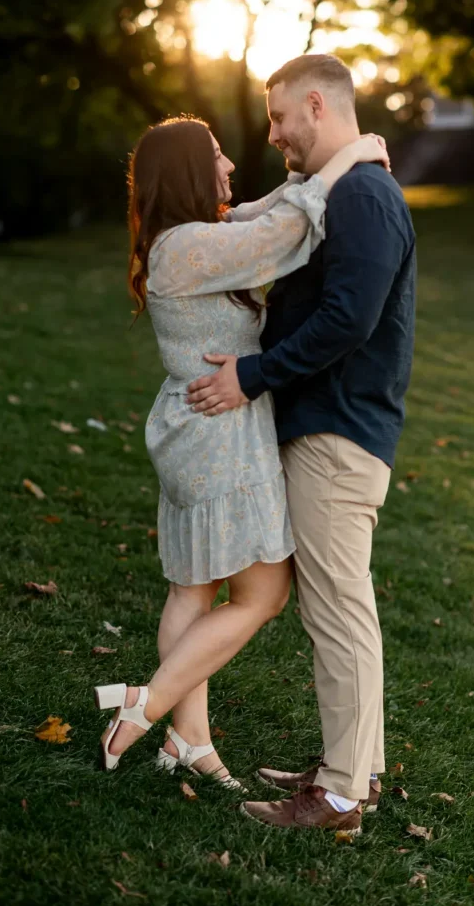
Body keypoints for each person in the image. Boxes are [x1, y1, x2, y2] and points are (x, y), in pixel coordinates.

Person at [93, 114, 389, 804]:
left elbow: (259, 212)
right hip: (216, 433)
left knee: (192, 590)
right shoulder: (188, 248)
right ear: (191, 172)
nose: (230, 167)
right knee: (261, 594)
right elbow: (284, 233)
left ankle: (188, 739)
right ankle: (148, 702)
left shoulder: (187, 239)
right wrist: (345, 161)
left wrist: (327, 166)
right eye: (218, 157)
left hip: (201, 426)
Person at [186, 54, 417, 834]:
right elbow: (275, 217)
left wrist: (253, 374)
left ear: (315, 106)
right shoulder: (342, 190)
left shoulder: (363, 196)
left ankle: (342, 798)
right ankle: (354, 771)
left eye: (280, 117)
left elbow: (348, 320)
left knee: (338, 613)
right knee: (338, 609)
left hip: (337, 431)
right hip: (329, 425)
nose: (274, 132)